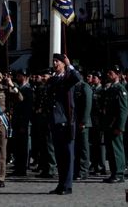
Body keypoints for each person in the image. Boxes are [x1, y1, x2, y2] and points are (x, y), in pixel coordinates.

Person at [47, 53, 82, 195]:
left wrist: (69, 65)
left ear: (63, 63)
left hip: (66, 121)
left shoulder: (68, 78)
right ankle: (61, 184)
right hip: (54, 121)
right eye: (54, 61)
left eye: (57, 61)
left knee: (67, 155)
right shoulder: (53, 79)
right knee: (59, 155)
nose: (54, 64)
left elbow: (77, 78)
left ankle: (67, 186)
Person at [100, 67, 127, 183]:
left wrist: (120, 127)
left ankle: (119, 173)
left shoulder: (120, 89)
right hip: (108, 124)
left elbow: (123, 110)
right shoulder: (110, 88)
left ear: (118, 75)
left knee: (117, 149)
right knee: (110, 150)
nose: (108, 74)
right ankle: (114, 172)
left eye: (111, 73)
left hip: (115, 124)